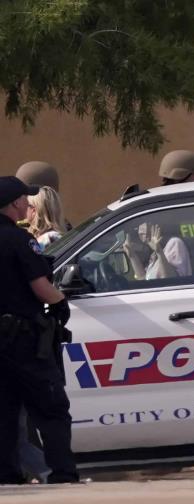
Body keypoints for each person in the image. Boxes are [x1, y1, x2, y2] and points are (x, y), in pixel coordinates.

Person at [0, 176, 79, 484]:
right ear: (13, 204)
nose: (26, 203)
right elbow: (41, 286)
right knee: (51, 409)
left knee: (5, 412)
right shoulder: (18, 240)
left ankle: (7, 477)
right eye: (23, 199)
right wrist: (60, 303)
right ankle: (62, 474)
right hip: (22, 340)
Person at [123, 220, 192, 280]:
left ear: (156, 225)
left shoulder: (175, 243)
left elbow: (171, 280)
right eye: (138, 227)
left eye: (143, 223)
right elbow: (144, 279)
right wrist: (132, 255)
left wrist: (159, 252)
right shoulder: (153, 255)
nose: (140, 231)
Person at [26, 187, 66, 252]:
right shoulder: (52, 237)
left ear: (34, 210)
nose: (24, 208)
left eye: (26, 205)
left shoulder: (50, 238)